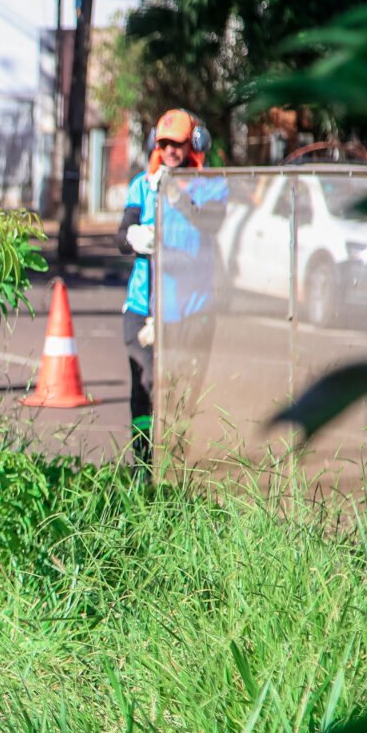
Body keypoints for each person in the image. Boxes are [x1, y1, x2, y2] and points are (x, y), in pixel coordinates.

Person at [115, 108, 224, 468]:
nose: (170, 151)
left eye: (177, 144)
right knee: (144, 385)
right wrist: (134, 237)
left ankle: (176, 467)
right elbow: (122, 235)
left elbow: (212, 224)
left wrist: (178, 197)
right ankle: (143, 464)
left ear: (194, 143)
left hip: (192, 309)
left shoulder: (211, 185)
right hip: (143, 308)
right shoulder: (142, 186)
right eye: (163, 145)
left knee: (184, 392)